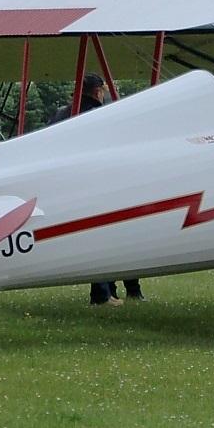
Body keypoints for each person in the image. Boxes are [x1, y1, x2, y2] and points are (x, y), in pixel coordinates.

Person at [62, 74, 147, 306]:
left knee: (99, 239)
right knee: (117, 238)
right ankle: (109, 293)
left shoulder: (62, 113)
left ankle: (114, 291)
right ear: (98, 91)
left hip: (70, 187)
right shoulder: (102, 113)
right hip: (101, 185)